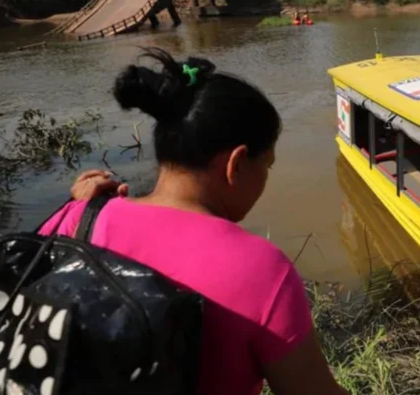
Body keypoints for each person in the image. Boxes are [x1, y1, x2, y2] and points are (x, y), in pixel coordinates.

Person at [41, 49, 346, 395]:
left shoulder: (79, 217)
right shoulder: (261, 270)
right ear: (237, 163)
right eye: (268, 165)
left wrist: (72, 208)